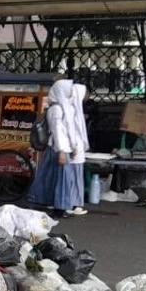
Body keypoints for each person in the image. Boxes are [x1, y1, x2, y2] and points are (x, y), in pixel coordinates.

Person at [27, 79, 85, 217]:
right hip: (58, 149)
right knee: (63, 179)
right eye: (69, 90)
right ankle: (60, 208)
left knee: (53, 177)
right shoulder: (56, 109)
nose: (72, 92)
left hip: (63, 149)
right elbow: (58, 131)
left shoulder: (63, 107)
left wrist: (74, 146)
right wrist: (62, 151)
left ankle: (52, 204)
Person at [68, 82, 90, 215]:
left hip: (77, 150)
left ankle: (74, 203)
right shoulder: (72, 111)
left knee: (75, 178)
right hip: (74, 150)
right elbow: (73, 131)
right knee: (74, 178)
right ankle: (73, 204)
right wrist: (75, 146)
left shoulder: (75, 109)